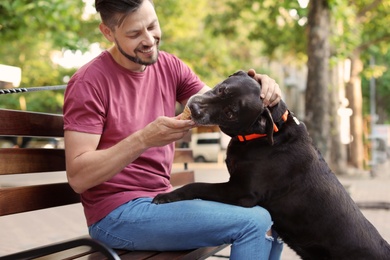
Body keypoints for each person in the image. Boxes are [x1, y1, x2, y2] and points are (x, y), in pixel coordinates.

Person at [63, 0, 283, 259]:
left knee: (274, 214)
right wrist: (144, 138)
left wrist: (258, 87)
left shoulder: (170, 67)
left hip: (163, 200)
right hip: (116, 216)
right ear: (108, 33)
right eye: (134, 34)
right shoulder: (88, 83)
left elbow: (219, 105)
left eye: (152, 26)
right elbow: (78, 178)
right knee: (253, 222)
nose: (148, 40)